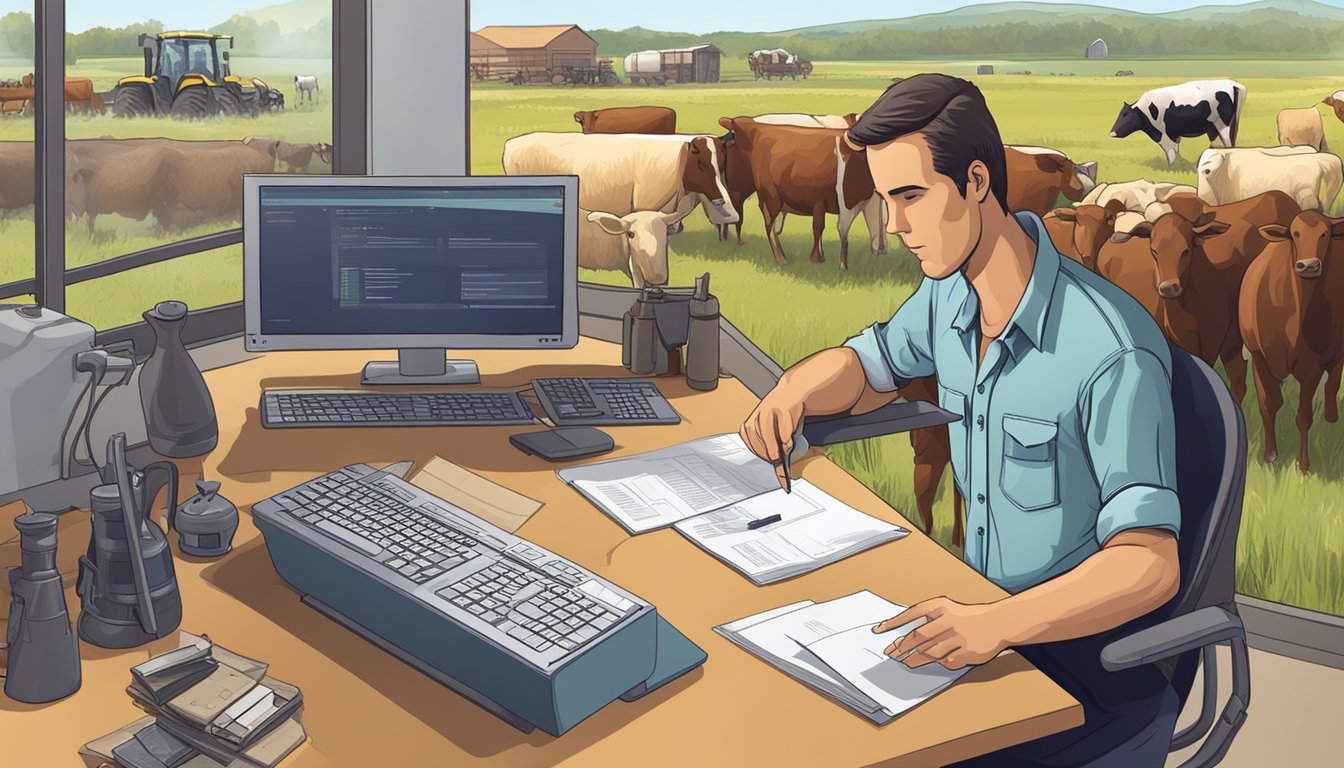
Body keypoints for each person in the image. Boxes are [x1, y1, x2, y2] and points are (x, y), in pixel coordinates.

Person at [738, 73, 1183, 767]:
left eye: (911, 197)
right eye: (885, 201)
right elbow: (871, 363)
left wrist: (996, 626)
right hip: (980, 638)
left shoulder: (1109, 349)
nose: (894, 225)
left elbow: (1150, 566)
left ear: (976, 181)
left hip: (1080, 671)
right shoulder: (950, 296)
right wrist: (794, 388)